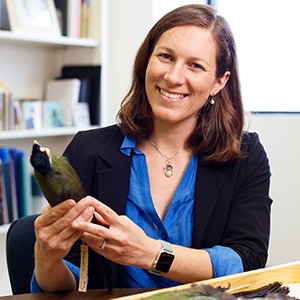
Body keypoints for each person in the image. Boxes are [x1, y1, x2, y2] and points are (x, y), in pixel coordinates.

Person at [31, 4, 272, 293]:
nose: (173, 76)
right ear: (147, 61)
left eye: (195, 65)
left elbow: (247, 262)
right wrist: (46, 257)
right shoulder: (87, 150)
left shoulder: (246, 156)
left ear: (219, 82)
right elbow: (70, 283)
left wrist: (152, 254)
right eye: (165, 57)